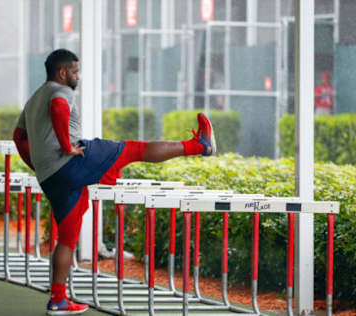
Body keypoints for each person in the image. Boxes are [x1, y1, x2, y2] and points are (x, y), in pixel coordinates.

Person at [13, 49, 216, 315]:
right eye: (75, 71)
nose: (78, 76)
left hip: (51, 177)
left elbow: (19, 137)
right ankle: (199, 146)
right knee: (132, 149)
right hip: (72, 161)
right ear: (62, 73)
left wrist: (40, 167)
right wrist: (67, 147)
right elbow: (58, 109)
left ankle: (58, 299)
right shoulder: (59, 92)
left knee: (67, 237)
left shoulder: (33, 98)